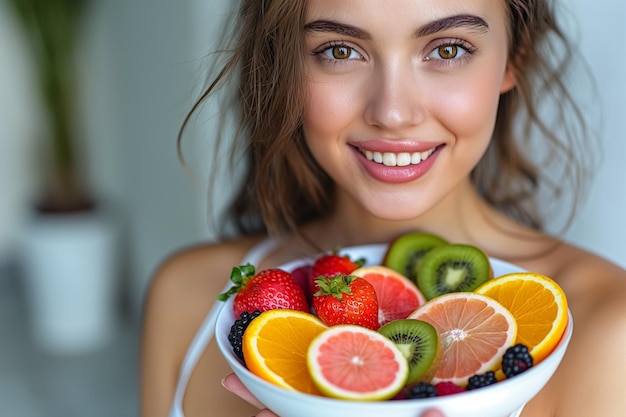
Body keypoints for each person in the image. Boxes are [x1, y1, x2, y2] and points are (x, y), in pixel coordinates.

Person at [140, 0, 626, 416]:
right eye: (339, 50)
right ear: (283, 64)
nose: (392, 112)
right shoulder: (186, 297)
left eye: (448, 49)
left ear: (512, 57)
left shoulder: (608, 332)